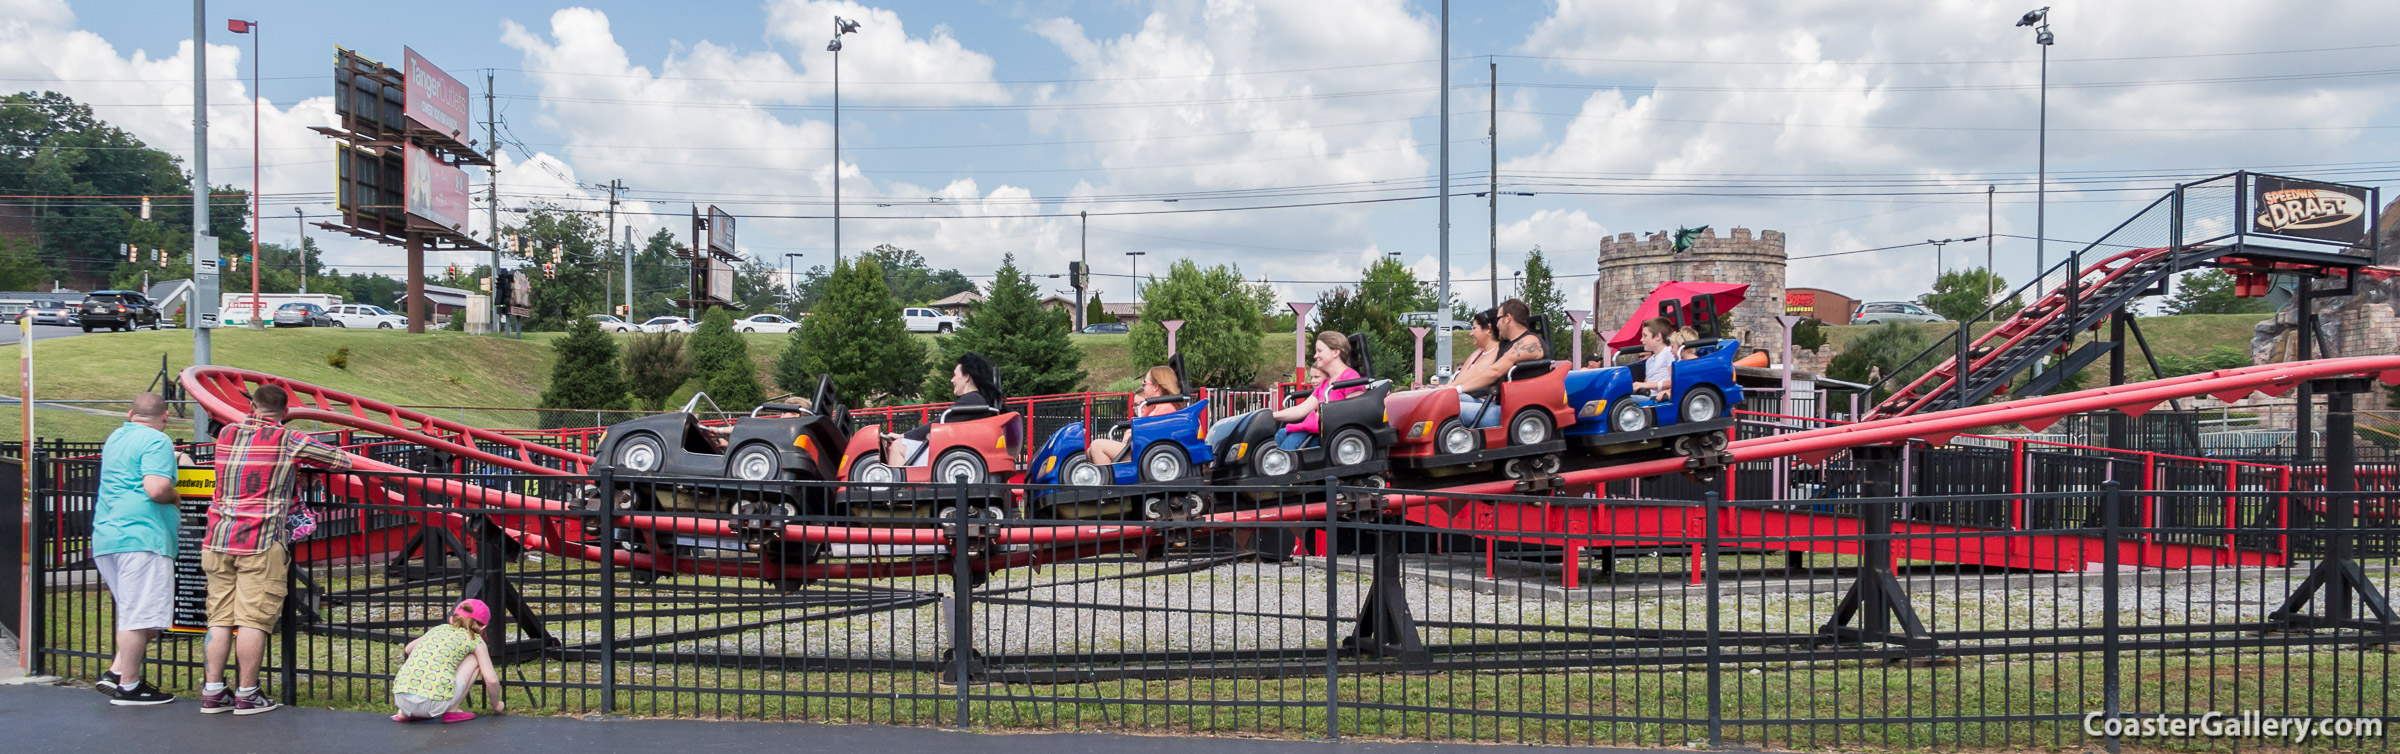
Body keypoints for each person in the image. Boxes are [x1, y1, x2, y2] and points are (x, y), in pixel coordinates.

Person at [201, 384, 352, 715]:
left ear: (253, 407)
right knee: (253, 619)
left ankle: (212, 691)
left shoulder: (226, 434)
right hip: (260, 540)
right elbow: (340, 461)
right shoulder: (288, 440)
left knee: (220, 618)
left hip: (217, 537)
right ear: (285, 412)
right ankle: (247, 692)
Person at [92, 393, 184, 706]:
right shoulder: (158, 442)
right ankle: (129, 687)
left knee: (143, 615)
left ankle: (117, 672)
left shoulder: (116, 438)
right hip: (143, 537)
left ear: (131, 414)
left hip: (108, 536)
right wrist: (175, 497)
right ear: (166, 417)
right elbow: (156, 488)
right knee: (139, 616)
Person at [390, 599, 505, 723]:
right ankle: (452, 710)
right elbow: (491, 680)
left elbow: (408, 649)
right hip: (433, 703)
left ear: (451, 619)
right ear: (483, 627)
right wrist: (496, 705)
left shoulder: (439, 629)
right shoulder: (475, 640)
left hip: (402, 700)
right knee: (474, 659)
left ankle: (405, 713)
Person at [1449, 299, 1550, 429]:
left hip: (1512, 413)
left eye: (1498, 319)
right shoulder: (1507, 344)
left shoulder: (1529, 342)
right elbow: (1484, 371)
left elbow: (1495, 371)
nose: (1496, 324)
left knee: (1448, 407)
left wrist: (1456, 389)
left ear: (1508, 318)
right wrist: (1453, 388)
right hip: (1499, 405)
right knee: (1451, 399)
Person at [887, 353, 1000, 465]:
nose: (952, 380)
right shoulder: (976, 400)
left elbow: (938, 423)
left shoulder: (972, 400)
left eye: (955, 375)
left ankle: (898, 482)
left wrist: (904, 436)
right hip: (957, 455)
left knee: (898, 446)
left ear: (966, 377)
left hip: (952, 458)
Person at [1270, 332, 1363, 451]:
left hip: (1335, 438)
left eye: (1319, 351)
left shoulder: (1350, 378)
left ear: (1335, 352)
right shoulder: (1326, 383)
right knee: (1281, 434)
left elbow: (1357, 414)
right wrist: (1271, 415)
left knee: (1292, 441)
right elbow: (1301, 409)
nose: (1315, 356)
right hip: (1322, 432)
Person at [1089, 365, 1182, 466]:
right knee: (1090, 451)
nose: (1143, 387)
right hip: (1144, 451)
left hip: (1145, 454)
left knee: (1097, 446)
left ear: (1155, 387)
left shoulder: (1165, 408)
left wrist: (1134, 431)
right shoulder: (1159, 407)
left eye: (1145, 383)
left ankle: (1109, 480)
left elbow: (1154, 437)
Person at [1630, 317, 1678, 397]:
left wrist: (1644, 385)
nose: (1642, 339)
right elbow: (1646, 384)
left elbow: (1674, 380)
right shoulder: (1649, 361)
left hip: (1661, 398)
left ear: (1658, 336)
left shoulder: (1668, 352)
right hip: (1649, 397)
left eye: (1645, 336)